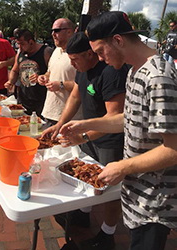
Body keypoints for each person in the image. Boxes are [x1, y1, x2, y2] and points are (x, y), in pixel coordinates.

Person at [60, 11, 177, 250]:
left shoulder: (158, 78)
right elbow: (128, 118)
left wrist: (123, 166)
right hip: (136, 195)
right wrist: (87, 124)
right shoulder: (135, 70)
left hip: (154, 202)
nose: (100, 59)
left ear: (118, 40)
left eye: (101, 51)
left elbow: (173, 149)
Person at [43, 31, 129, 250]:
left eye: (75, 59)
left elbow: (113, 117)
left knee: (110, 188)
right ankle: (83, 213)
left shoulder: (111, 72)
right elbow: (75, 96)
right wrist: (60, 124)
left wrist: (82, 135)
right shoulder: (82, 70)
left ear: (91, 54)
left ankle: (107, 233)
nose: (72, 64)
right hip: (89, 134)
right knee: (88, 175)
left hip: (110, 140)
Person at [38, 18, 82, 126]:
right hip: (49, 114)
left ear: (69, 32)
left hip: (69, 119)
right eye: (52, 31)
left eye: (57, 30)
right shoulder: (56, 51)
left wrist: (61, 85)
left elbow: (85, 85)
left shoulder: (80, 55)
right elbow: (50, 72)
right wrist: (44, 77)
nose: (53, 34)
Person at [4, 29, 53, 116]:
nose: (19, 47)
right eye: (18, 44)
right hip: (23, 99)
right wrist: (11, 81)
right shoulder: (20, 52)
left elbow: (53, 72)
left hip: (40, 100)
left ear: (31, 42)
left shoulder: (46, 52)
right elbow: (15, 70)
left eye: (22, 44)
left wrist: (42, 77)